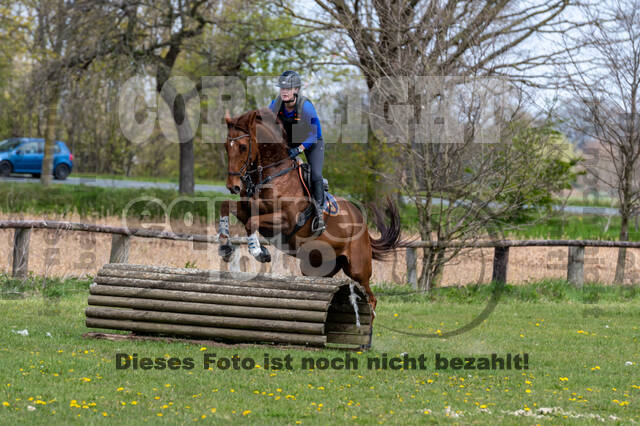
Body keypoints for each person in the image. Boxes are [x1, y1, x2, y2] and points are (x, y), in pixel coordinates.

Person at [268, 70, 326, 233]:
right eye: (282, 88)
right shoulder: (275, 104)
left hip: (312, 142)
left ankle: (319, 213)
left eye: (288, 88)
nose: (284, 91)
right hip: (291, 141)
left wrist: (299, 150)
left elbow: (315, 134)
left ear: (296, 90)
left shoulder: (306, 107)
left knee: (315, 174)